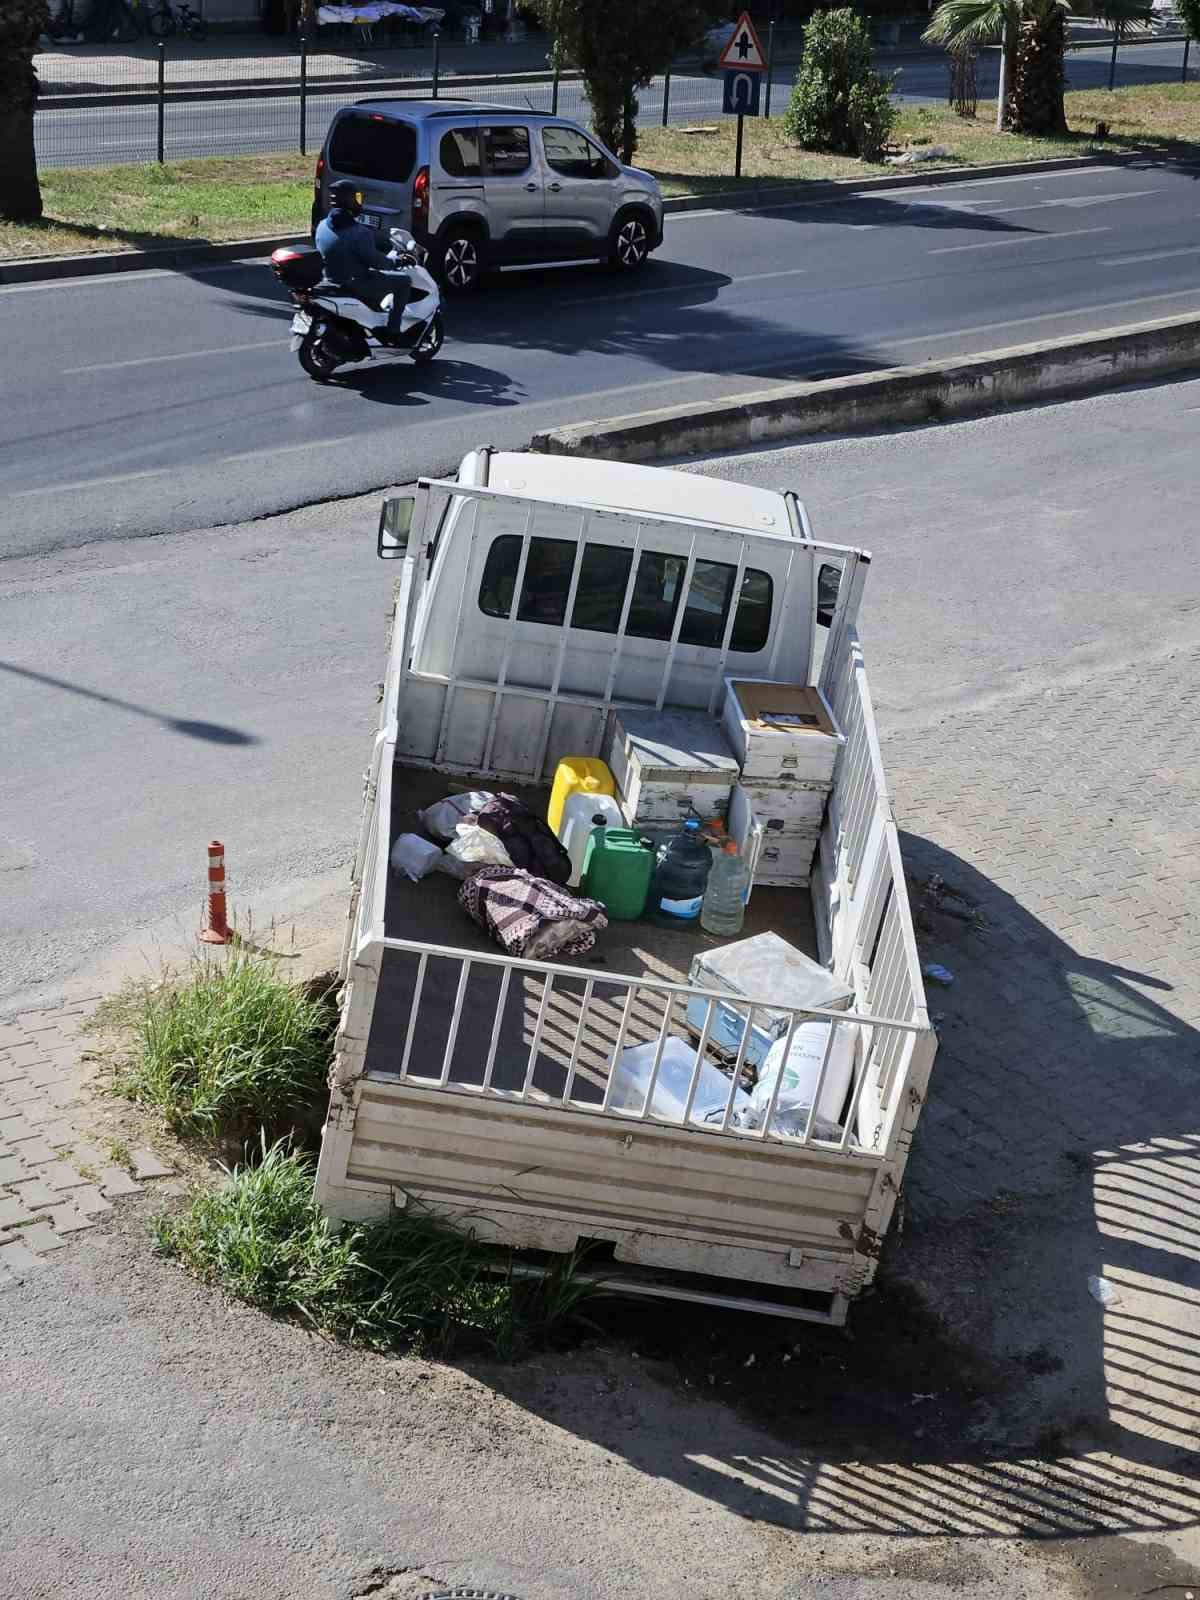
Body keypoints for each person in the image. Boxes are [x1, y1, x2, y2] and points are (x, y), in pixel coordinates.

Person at [314, 180, 410, 335]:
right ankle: (394, 329)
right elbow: (376, 261)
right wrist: (396, 261)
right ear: (349, 201)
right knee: (404, 282)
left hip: (330, 279)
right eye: (357, 198)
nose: (360, 202)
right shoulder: (359, 232)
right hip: (356, 283)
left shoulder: (322, 226)